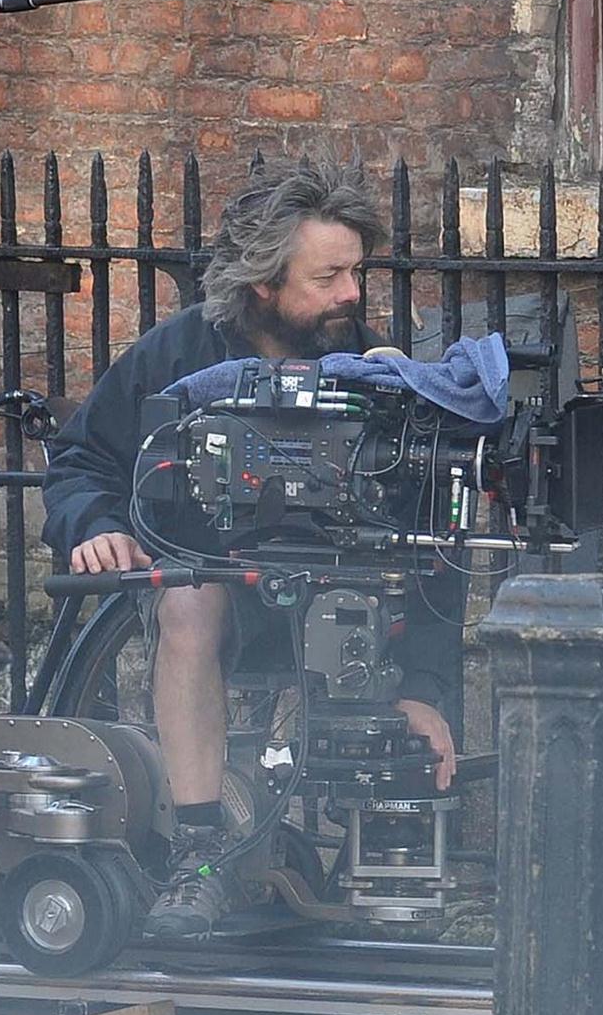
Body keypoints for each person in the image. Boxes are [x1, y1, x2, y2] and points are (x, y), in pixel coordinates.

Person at [41, 159, 464, 941]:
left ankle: (385, 876)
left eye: (355, 272)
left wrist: (428, 690)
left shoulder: (376, 370)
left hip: (343, 603)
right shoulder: (174, 355)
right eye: (329, 275)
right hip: (214, 593)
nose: (351, 294)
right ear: (265, 284)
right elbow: (79, 461)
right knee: (191, 603)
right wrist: (96, 525)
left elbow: (436, 542)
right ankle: (197, 856)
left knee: (361, 611)